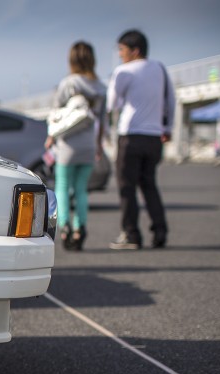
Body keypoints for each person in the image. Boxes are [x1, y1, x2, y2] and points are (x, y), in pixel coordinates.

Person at [107, 29, 175, 249]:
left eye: (122, 49)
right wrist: (168, 127)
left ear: (135, 51)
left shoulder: (123, 71)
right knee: (149, 185)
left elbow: (112, 104)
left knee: (127, 187)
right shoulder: (160, 68)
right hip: (155, 137)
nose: (120, 54)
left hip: (130, 136)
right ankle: (160, 231)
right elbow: (170, 101)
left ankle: (132, 235)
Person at [45, 41, 106, 251]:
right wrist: (99, 145)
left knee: (62, 186)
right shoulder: (100, 87)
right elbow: (102, 121)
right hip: (89, 144)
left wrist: (51, 136)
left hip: (68, 145)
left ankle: (65, 227)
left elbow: (56, 114)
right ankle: (81, 227)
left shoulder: (69, 84)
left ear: (71, 60)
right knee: (81, 189)